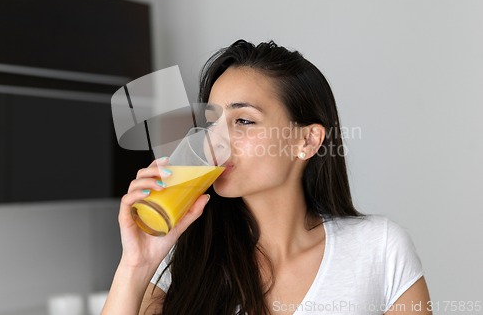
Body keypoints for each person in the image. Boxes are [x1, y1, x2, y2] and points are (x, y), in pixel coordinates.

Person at [102, 40, 432, 315]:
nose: (218, 140)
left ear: (307, 141)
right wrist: (136, 265)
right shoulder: (185, 260)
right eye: (211, 122)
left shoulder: (379, 247)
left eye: (243, 121)